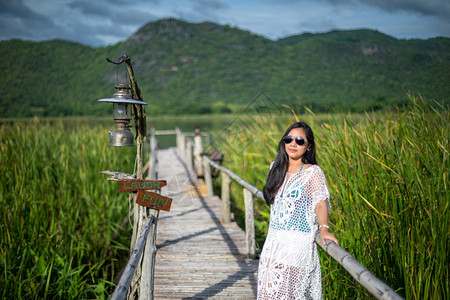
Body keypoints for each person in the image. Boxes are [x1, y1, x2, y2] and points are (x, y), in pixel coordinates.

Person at [258, 121, 338, 300]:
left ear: (308, 146)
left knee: (289, 295)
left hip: (296, 246)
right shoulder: (275, 168)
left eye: (300, 141)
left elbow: (320, 203)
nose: (293, 144)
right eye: (289, 139)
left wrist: (324, 228)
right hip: (272, 244)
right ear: (283, 142)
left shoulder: (313, 172)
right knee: (267, 294)